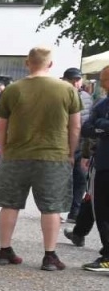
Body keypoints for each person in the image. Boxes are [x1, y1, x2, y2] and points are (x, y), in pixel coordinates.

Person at [0, 46, 83, 270]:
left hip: (16, 155)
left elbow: (0, 127)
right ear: (50, 64)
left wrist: (3, 151)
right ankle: (49, 256)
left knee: (10, 204)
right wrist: (71, 153)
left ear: (27, 63)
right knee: (51, 207)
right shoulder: (67, 89)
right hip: (53, 155)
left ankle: (4, 250)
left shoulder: (11, 90)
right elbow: (75, 126)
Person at [67, 66, 109, 272]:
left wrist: (101, 126)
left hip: (105, 164)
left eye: (104, 80)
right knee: (99, 208)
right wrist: (103, 126)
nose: (102, 84)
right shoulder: (101, 103)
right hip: (102, 163)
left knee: (103, 210)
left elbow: (95, 126)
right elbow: (87, 127)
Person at [63, 67, 93, 221]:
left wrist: (87, 151)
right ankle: (60, 210)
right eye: (73, 80)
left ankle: (74, 211)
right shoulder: (62, 95)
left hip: (80, 145)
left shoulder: (86, 97)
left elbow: (88, 123)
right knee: (66, 179)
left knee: (79, 179)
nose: (76, 83)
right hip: (64, 145)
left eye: (77, 79)